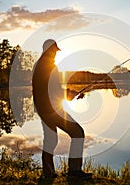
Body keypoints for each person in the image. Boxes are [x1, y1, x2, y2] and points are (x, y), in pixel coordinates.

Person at [32, 39, 92, 179]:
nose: (55, 53)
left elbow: (51, 90)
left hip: (42, 109)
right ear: (48, 50)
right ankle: (74, 172)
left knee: (51, 140)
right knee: (78, 133)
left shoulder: (38, 65)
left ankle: (48, 173)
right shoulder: (50, 66)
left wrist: (70, 93)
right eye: (54, 50)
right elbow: (56, 91)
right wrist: (70, 94)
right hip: (52, 110)